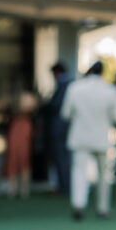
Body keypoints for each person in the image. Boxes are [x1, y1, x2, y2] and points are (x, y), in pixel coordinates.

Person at [61, 61, 116, 220]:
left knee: (79, 172)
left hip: (80, 137)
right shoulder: (111, 90)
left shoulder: (74, 88)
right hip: (102, 137)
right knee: (104, 174)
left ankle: (78, 204)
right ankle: (103, 208)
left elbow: (66, 114)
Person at [3, 91, 37, 199]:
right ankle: (12, 188)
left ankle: (24, 189)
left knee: (24, 157)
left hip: (24, 129)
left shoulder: (29, 103)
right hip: (16, 129)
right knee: (13, 157)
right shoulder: (11, 104)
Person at [46, 62, 71, 195]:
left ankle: (64, 187)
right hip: (63, 128)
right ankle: (64, 186)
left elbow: (55, 106)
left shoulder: (65, 85)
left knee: (61, 157)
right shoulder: (67, 85)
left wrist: (44, 105)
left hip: (60, 128)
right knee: (63, 158)